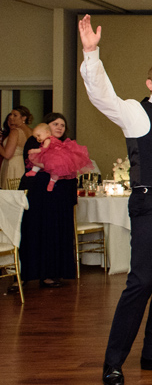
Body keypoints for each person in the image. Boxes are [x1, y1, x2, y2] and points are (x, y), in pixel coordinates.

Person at [79, 15, 152, 385]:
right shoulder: (133, 110)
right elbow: (100, 96)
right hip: (150, 208)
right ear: (150, 84)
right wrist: (91, 53)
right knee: (141, 282)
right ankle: (113, 362)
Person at [17, 112, 79, 289]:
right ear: (46, 126)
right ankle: (27, 274)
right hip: (39, 194)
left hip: (59, 196)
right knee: (34, 231)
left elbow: (70, 168)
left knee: (54, 232)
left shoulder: (66, 145)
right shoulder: (35, 142)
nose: (59, 127)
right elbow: (33, 160)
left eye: (62, 125)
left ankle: (50, 274)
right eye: (55, 124)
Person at [24, 122, 90, 191]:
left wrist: (35, 150)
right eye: (36, 137)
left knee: (39, 159)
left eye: (38, 135)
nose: (38, 138)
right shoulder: (51, 139)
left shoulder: (47, 139)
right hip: (53, 156)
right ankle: (51, 181)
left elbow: (44, 149)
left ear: (47, 132)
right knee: (54, 170)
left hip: (53, 156)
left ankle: (35, 172)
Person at [1, 106, 32, 186]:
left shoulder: (15, 132)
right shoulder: (32, 131)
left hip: (14, 165)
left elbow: (7, 154)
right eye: (11, 114)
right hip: (25, 165)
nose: (11, 117)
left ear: (24, 117)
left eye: (15, 115)